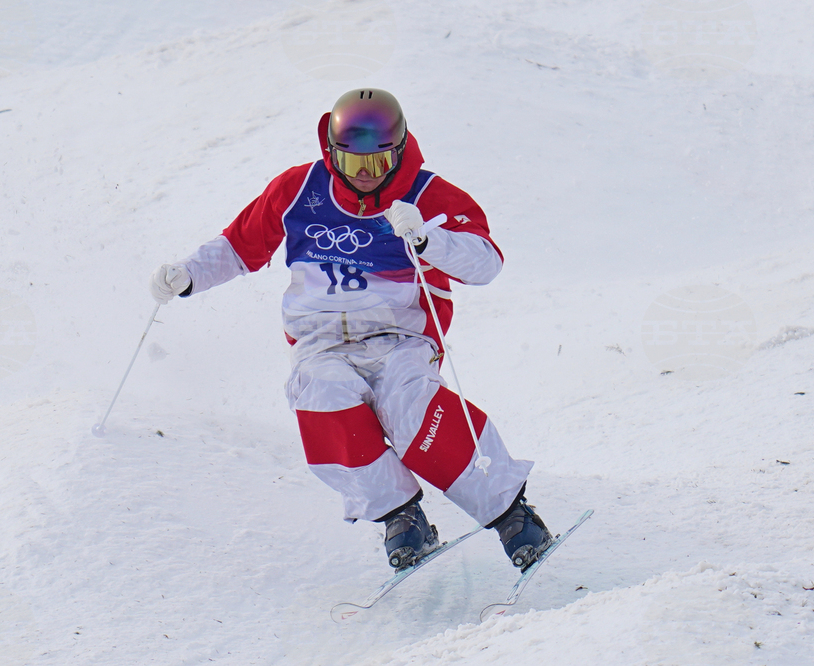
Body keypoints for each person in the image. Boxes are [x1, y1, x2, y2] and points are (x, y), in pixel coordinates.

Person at [150, 88, 551, 571]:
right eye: (352, 163)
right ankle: (401, 517)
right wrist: (188, 275)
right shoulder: (299, 189)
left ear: (398, 151)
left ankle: (510, 514)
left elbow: (486, 263)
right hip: (320, 342)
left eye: (378, 163)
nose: (365, 176)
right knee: (321, 398)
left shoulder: (427, 194)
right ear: (331, 152)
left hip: (400, 337)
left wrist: (428, 238)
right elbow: (240, 247)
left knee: (411, 406)